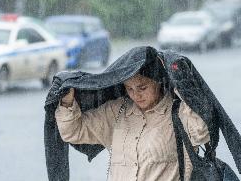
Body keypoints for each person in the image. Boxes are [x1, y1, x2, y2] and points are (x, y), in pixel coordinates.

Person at [54, 57, 210, 181]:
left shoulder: (179, 112)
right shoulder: (117, 111)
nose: (136, 95)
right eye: (129, 88)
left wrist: (180, 83)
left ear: (158, 82)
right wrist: (67, 101)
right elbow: (73, 132)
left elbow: (202, 133)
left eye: (142, 87)